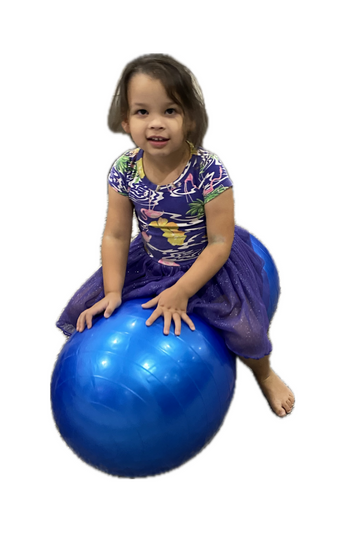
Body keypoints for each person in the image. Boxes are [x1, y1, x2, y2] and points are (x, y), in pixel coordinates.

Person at [56, 54, 295, 417]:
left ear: (190, 119)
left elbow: (219, 242)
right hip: (152, 262)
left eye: (170, 111)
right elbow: (117, 235)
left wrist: (182, 290)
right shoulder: (124, 170)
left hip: (210, 264)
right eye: (142, 112)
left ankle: (265, 373)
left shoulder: (208, 171)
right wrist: (113, 292)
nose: (156, 123)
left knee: (247, 332)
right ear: (125, 120)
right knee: (81, 310)